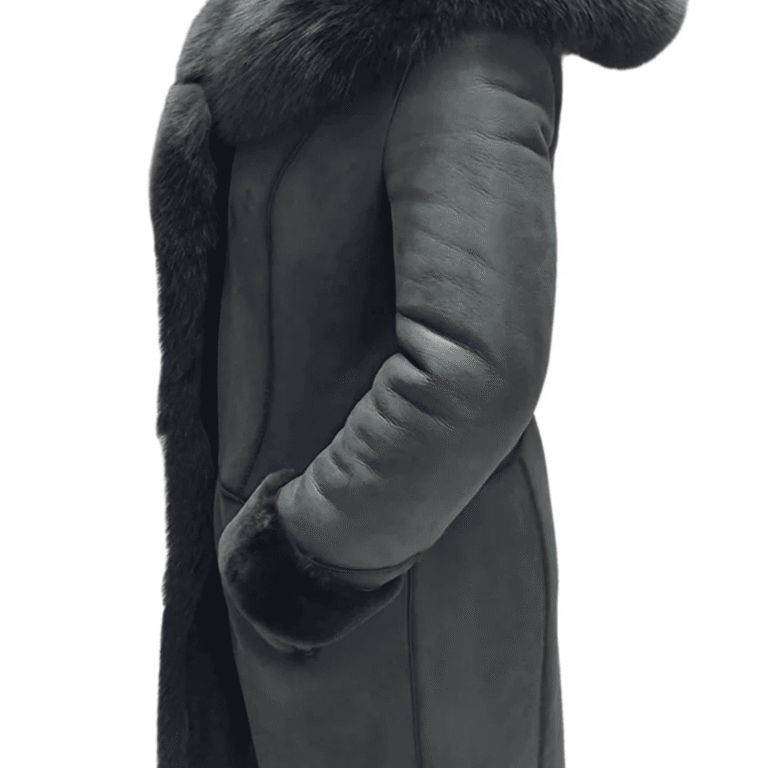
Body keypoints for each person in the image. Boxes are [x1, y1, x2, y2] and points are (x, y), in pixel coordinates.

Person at [150, 1, 687, 766]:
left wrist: (298, 556)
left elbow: (471, 374)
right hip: (313, 599)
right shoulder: (323, 24)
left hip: (394, 604)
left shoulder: (466, 43)